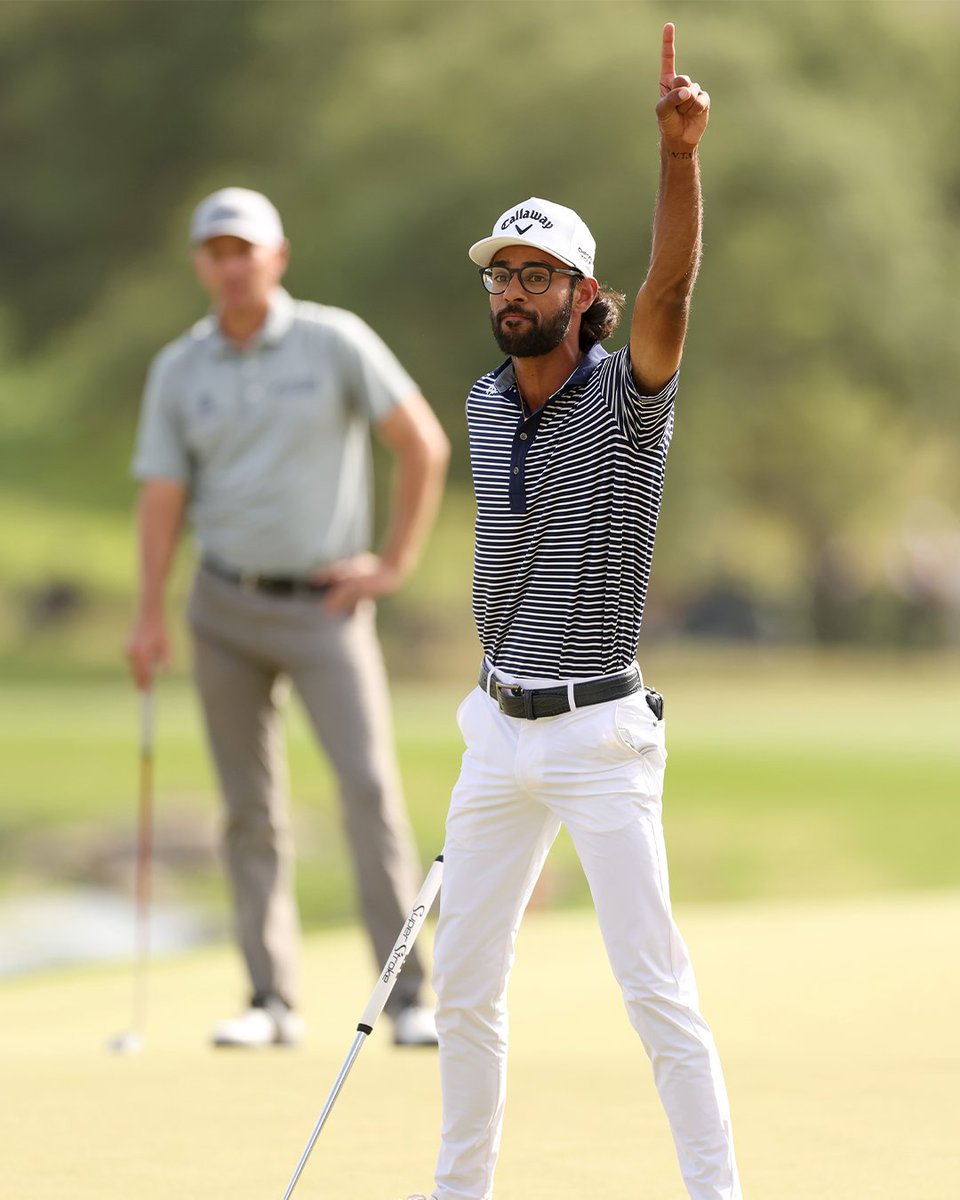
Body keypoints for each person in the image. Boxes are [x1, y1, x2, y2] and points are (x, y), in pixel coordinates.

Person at [403, 23, 742, 1200]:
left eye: (536, 275)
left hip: (600, 735)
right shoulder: (483, 407)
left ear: (582, 295)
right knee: (463, 989)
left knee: (653, 987)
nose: (512, 290)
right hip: (496, 732)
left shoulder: (629, 394)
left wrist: (680, 156)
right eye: (501, 273)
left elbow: (675, 287)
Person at [126, 186, 450, 1049]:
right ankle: (271, 1000)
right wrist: (147, 613)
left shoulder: (333, 341)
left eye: (247, 250)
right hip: (222, 605)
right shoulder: (179, 368)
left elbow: (422, 442)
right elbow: (162, 498)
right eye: (217, 251)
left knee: (369, 791)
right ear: (203, 264)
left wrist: (394, 564)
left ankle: (410, 997)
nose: (233, 266)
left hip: (326, 609)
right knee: (247, 809)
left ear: (278, 256)